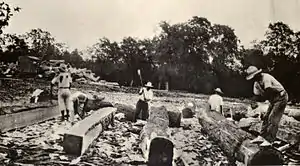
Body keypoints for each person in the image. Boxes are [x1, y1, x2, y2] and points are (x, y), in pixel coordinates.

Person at [246, 66, 288, 147]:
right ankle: (262, 136)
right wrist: (254, 103)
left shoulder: (266, 77)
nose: (254, 79)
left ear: (258, 74)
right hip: (272, 99)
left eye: (255, 76)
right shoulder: (256, 83)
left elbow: (268, 91)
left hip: (281, 97)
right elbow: (257, 96)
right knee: (265, 117)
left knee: (273, 118)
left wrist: (264, 101)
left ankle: (270, 140)